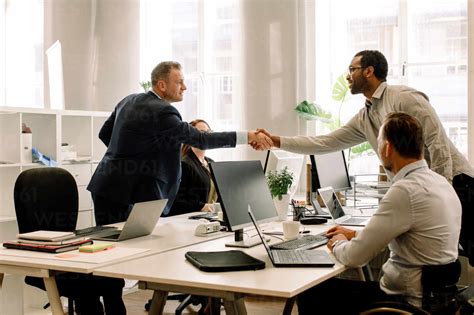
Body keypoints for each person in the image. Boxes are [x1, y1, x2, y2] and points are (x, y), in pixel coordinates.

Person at [255, 50, 474, 264]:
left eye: (352, 69)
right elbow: (325, 142)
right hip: (430, 191)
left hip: (457, 185)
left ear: (369, 71)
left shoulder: (404, 99)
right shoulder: (366, 117)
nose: (348, 76)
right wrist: (275, 141)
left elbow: (438, 144)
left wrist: (440, 188)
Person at [297, 112, 462, 314]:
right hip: (436, 302)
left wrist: (338, 241)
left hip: (403, 304)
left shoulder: (405, 191)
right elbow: (416, 238)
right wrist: (356, 235)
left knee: (311, 291)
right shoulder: (441, 183)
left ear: (387, 147)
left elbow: (354, 257)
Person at [87, 61, 272, 225]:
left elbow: (105, 134)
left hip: (105, 186)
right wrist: (247, 136)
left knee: (112, 246)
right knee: (126, 249)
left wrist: (130, 157)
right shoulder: (163, 111)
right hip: (128, 193)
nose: (184, 87)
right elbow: (200, 139)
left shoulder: (128, 100)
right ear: (162, 85)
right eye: (179, 82)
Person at [168, 119, 218, 216]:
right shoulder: (184, 164)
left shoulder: (212, 163)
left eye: (209, 132)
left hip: (211, 218)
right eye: (201, 133)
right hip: (191, 220)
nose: (206, 136)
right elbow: (176, 201)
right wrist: (202, 206)